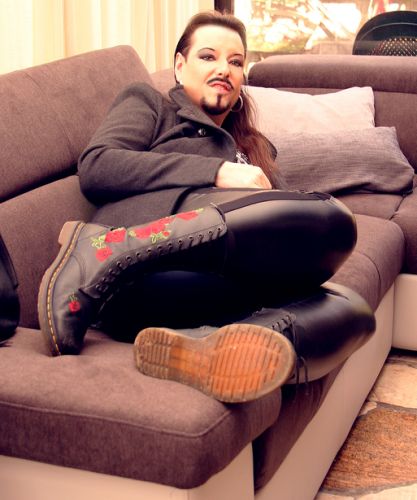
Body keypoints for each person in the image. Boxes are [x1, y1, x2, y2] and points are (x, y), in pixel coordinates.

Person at [37, 11, 375, 403]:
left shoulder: (255, 148)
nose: (224, 69)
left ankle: (207, 349)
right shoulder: (150, 104)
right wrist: (215, 172)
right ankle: (108, 250)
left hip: (214, 288)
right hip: (144, 276)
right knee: (334, 219)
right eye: (208, 56)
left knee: (353, 310)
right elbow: (98, 165)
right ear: (180, 66)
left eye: (235, 62)